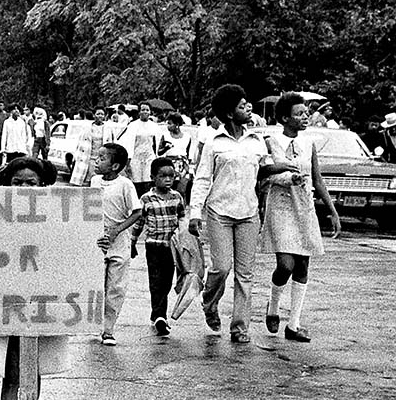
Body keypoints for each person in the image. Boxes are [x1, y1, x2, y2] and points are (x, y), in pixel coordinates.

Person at [189, 84, 297, 344]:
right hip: (219, 212)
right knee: (222, 267)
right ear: (228, 114)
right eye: (241, 106)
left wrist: (285, 172)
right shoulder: (214, 142)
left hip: (248, 213)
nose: (248, 108)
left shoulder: (256, 140)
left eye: (247, 104)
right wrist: (195, 213)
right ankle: (209, 302)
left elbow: (263, 171)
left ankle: (239, 327)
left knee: (245, 274)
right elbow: (203, 179)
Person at [0, 156, 66, 400]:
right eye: (17, 183)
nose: (24, 188)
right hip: (6, 307)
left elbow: (71, 251)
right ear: (7, 186)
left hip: (39, 308)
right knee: (13, 375)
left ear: (42, 187)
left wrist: (94, 244)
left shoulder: (55, 220)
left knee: (31, 374)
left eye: (31, 183)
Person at [260, 92, 341, 342]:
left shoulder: (310, 143)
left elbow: (317, 179)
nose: (305, 117)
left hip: (304, 206)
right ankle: (273, 306)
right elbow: (265, 173)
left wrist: (332, 209)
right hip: (281, 205)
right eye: (299, 114)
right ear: (285, 118)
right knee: (286, 264)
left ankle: (293, 324)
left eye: (306, 113)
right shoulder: (271, 141)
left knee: (303, 265)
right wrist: (286, 176)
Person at [92, 142, 141, 346]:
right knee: (96, 285)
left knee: (115, 287)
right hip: (97, 241)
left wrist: (116, 230)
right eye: (98, 156)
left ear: (114, 166)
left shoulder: (125, 184)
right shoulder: (94, 181)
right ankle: (95, 324)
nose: (97, 160)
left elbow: (137, 212)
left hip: (119, 242)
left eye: (102, 158)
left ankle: (108, 330)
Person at [130, 158, 186, 336]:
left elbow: (182, 220)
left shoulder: (177, 197)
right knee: (155, 281)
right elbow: (139, 222)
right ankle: (160, 315)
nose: (168, 179)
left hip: (171, 248)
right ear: (153, 177)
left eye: (171, 176)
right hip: (153, 246)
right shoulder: (146, 199)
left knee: (167, 281)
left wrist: (187, 240)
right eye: (163, 176)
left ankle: (158, 313)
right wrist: (132, 242)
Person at [118, 102, 167, 196]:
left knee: (148, 181)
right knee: (136, 182)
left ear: (150, 112)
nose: (145, 112)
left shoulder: (155, 126)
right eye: (143, 109)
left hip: (149, 157)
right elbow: (128, 144)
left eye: (147, 110)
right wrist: (128, 162)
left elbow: (159, 144)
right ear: (139, 112)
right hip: (136, 157)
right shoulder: (133, 125)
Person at [161, 113, 193, 199]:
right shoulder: (165, 136)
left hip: (183, 166)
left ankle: (182, 209)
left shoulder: (187, 137)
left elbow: (189, 153)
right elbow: (159, 152)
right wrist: (166, 148)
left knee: (181, 191)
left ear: (177, 124)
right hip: (169, 165)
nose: (168, 126)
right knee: (169, 190)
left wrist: (186, 167)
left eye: (170, 123)